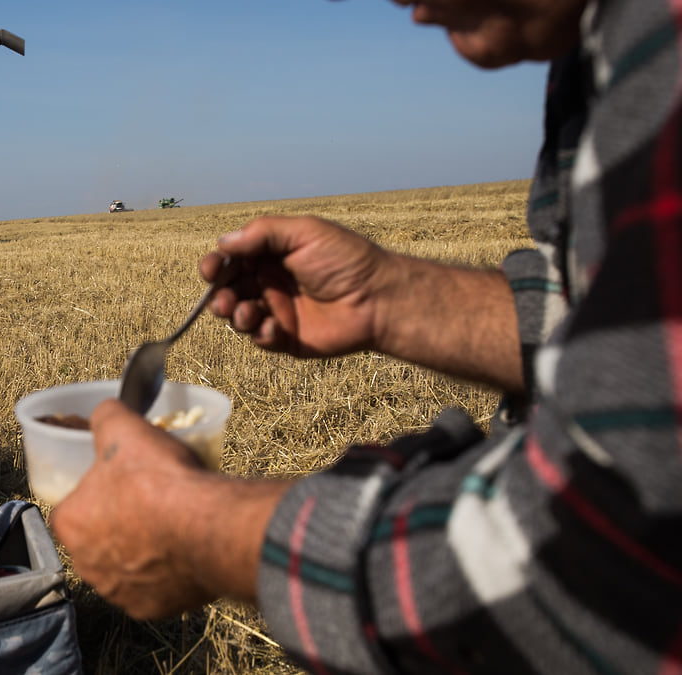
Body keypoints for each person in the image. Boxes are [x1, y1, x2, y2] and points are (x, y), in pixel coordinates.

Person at [51, 0, 682, 672]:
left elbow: (611, 554)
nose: (410, 12)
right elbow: (621, 334)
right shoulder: (602, 51)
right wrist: (391, 299)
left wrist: (204, 528)